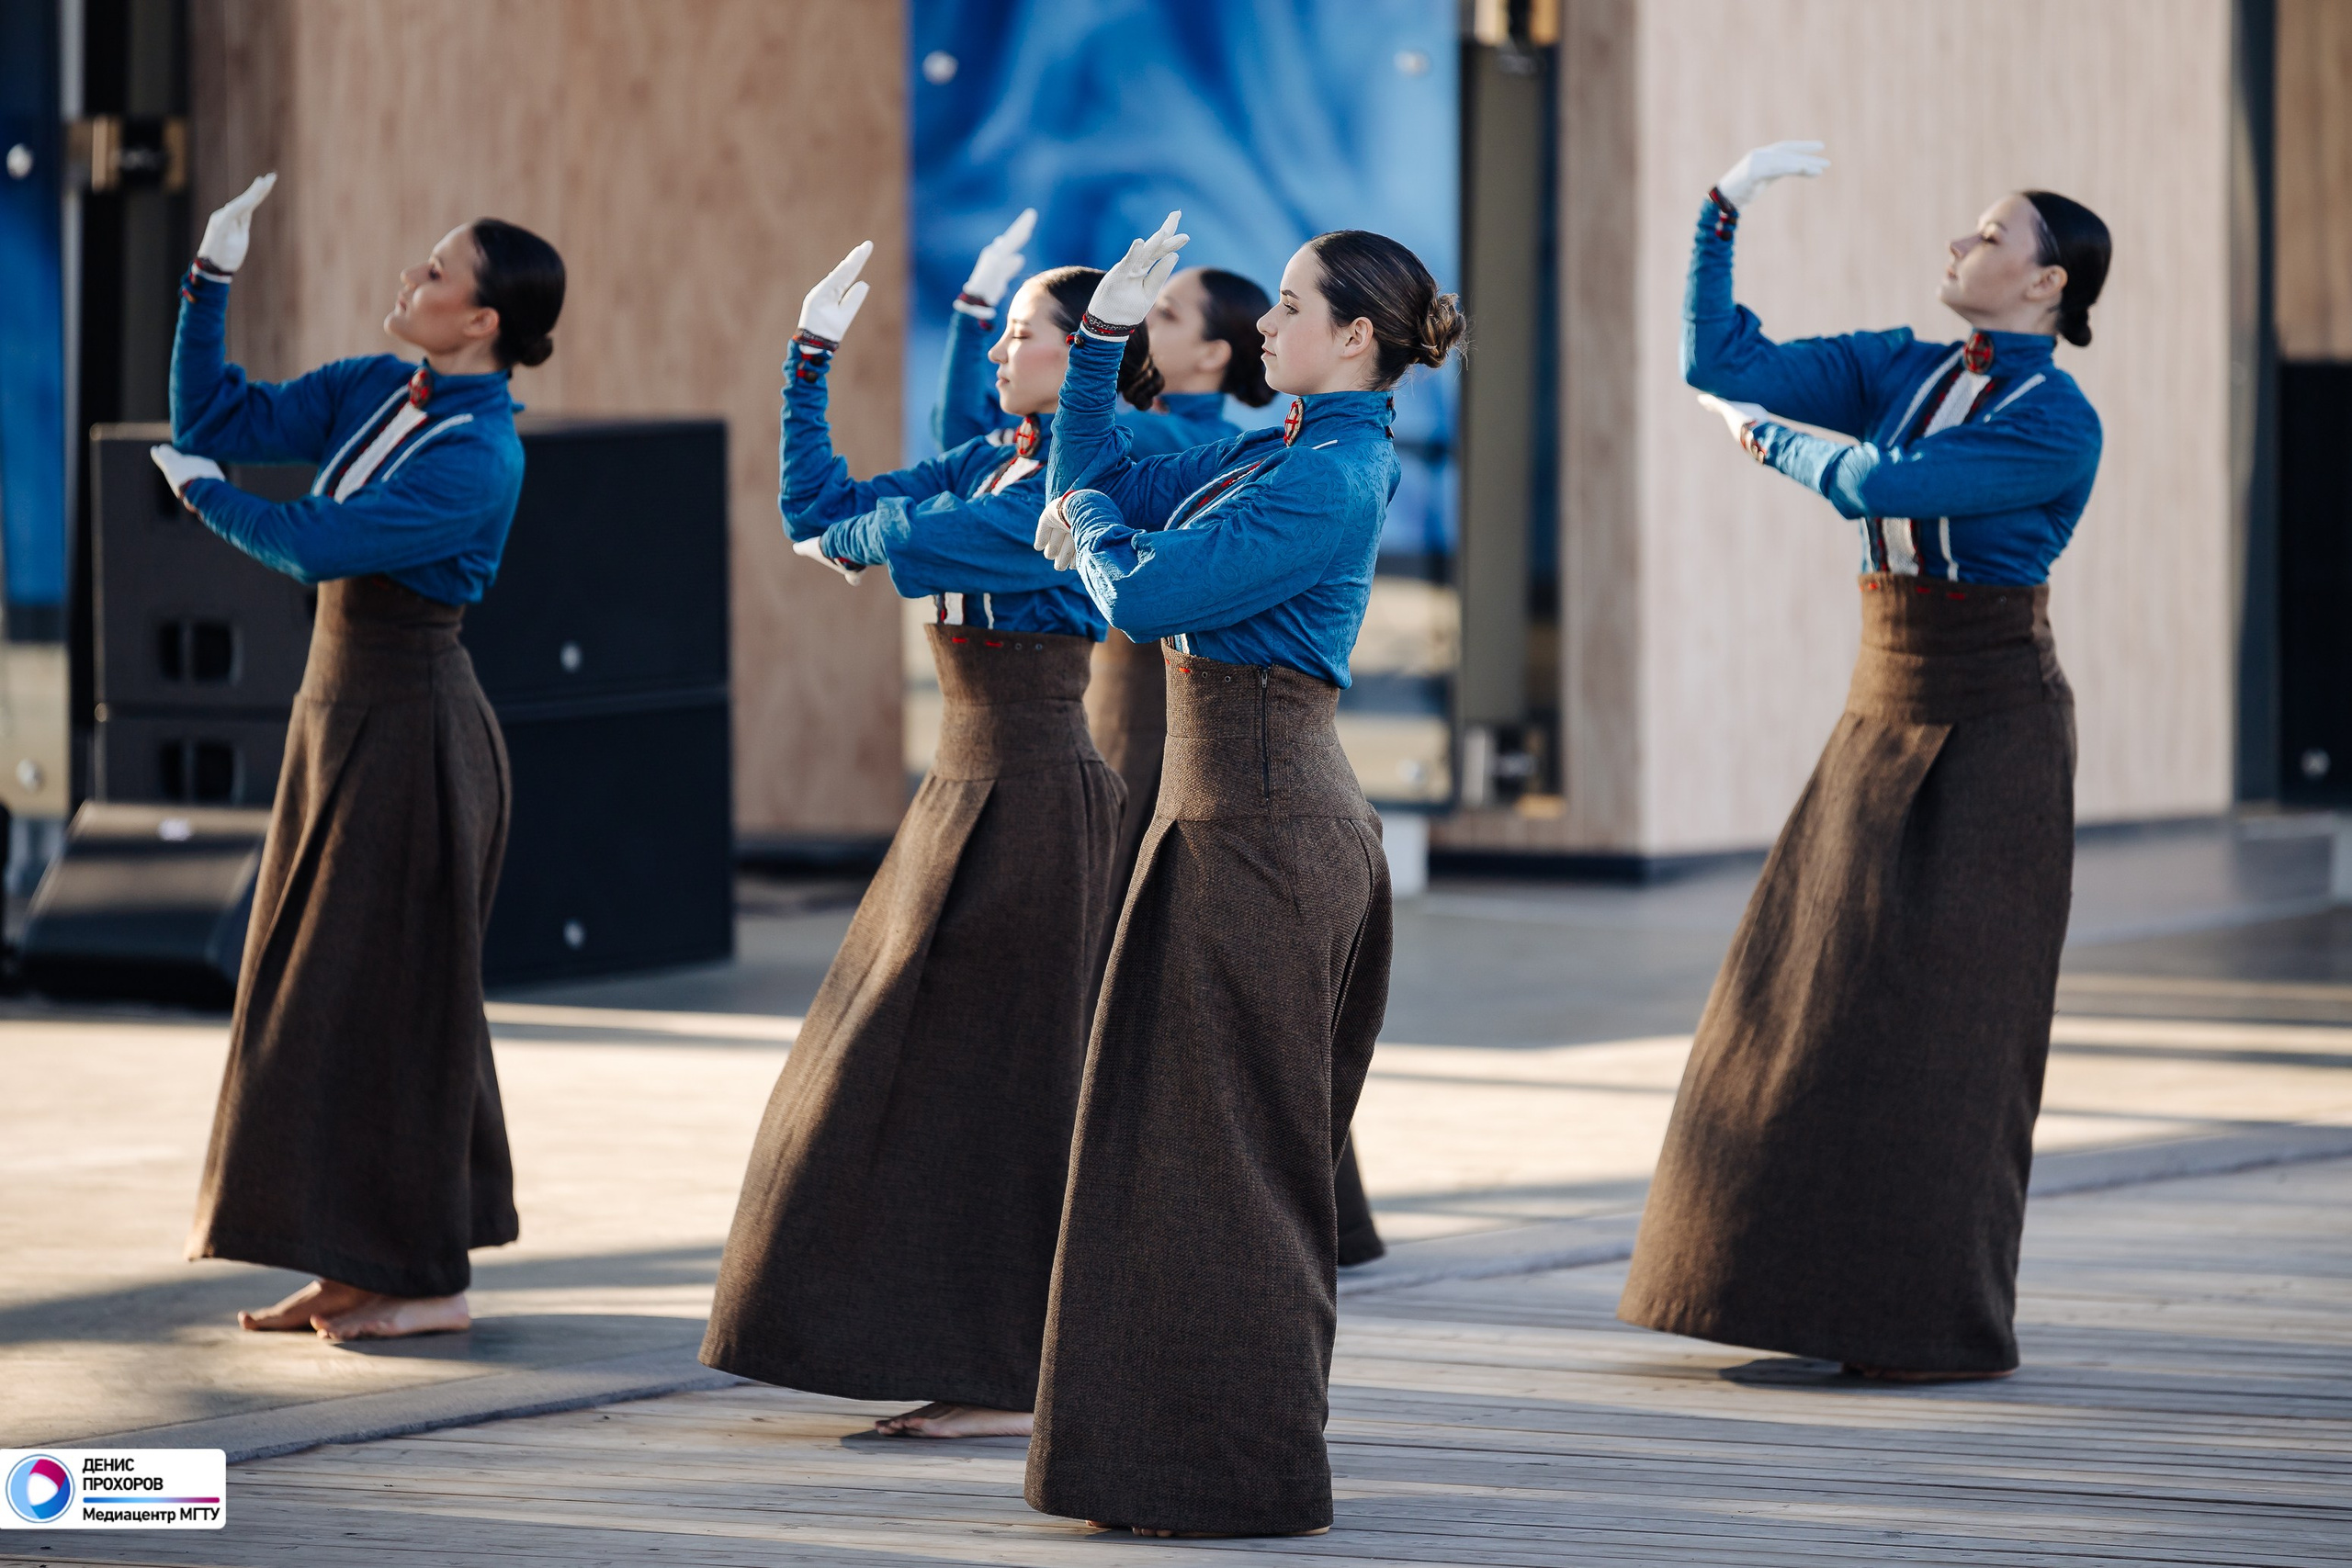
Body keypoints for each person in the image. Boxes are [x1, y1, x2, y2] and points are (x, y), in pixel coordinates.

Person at [1617, 142, 2109, 1380]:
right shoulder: (1906, 363)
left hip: (1995, 722)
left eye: (1992, 235)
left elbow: (1880, 479)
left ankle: (1927, 1320)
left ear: (2048, 286)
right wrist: (1720, 212)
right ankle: (1772, 1288)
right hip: (1880, 698)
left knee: (1952, 1029)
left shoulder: (2056, 418)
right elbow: (1717, 361)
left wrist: (1762, 445)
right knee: (1804, 999)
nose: (1962, 244)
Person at [1023, 215, 1463, 1537]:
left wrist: (1087, 524)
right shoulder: (1275, 454)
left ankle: (1241, 1470)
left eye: (1286, 307)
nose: (1265, 326)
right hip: (1224, 814)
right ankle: (1159, 1462)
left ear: (1354, 339)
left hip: (1268, 826)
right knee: (1173, 1150)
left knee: (1238, 1165)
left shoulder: (1326, 478)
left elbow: (1142, 599)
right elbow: (1092, 457)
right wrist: (1102, 339)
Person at [698, 243, 1139, 1440]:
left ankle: (1004, 1374)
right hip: (968, 783)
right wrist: (807, 362)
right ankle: (952, 1351)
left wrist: (865, 536)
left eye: (1023, 334)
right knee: (894, 1073)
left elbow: (885, 543)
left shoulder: (1076, 483)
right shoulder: (999, 456)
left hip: (1038, 796)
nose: (1000, 349)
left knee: (1004, 1089)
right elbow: (820, 511)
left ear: (1087, 353)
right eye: (1001, 335)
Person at [152, 175, 564, 1342]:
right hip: (341, 716)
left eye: (435, 274)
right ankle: (349, 1261)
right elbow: (218, 419)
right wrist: (208, 280)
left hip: (414, 725)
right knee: (322, 993)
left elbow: (312, 539)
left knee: (397, 999)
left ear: (483, 320)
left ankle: (428, 1277)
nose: (410, 281)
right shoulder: (386, 388)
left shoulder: (477, 458)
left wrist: (209, 504)